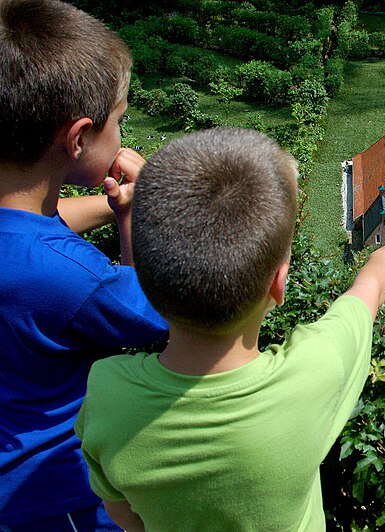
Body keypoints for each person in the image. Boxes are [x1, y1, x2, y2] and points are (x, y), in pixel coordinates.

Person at [74, 128, 385, 531]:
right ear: (278, 283)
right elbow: (366, 295)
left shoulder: (106, 393)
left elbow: (125, 516)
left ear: (144, 280)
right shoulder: (317, 369)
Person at [0, 0, 168, 529]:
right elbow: (154, 315)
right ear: (77, 138)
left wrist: (109, 201)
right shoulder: (70, 276)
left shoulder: (27, 247)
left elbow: (34, 229)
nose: (123, 135)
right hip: (55, 498)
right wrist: (133, 218)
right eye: (119, 121)